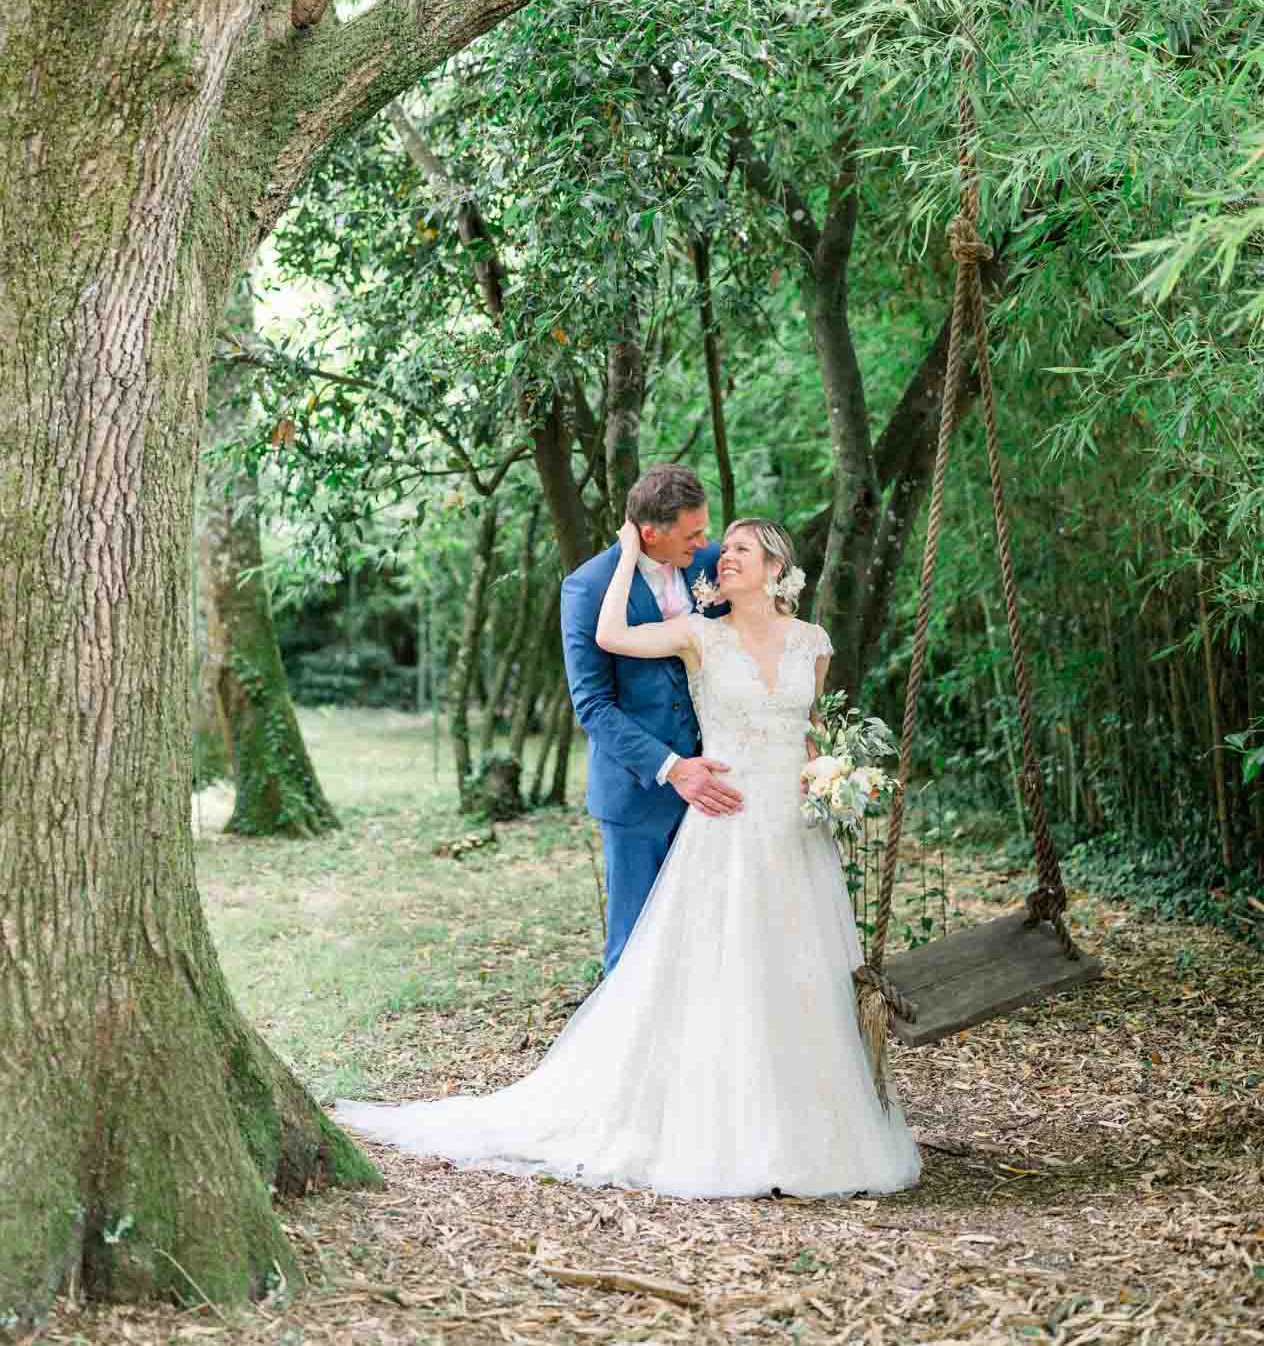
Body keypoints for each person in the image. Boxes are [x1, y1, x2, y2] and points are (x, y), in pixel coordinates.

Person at [335, 514, 922, 1200]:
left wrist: (831, 779)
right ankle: (723, 1128)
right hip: (725, 824)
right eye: (721, 548)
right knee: (723, 972)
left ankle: (812, 1133)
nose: (722, 557)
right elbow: (610, 636)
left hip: (796, 833)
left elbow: (814, 728)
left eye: (739, 549)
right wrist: (623, 556)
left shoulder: (813, 642)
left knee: (799, 971)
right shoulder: (700, 635)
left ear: (774, 565)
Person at [560, 463, 739, 975]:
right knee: (634, 950)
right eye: (693, 532)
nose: (706, 542)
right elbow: (592, 705)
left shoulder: (707, 564)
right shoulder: (588, 588)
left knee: (708, 941)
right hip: (638, 795)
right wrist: (673, 768)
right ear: (649, 533)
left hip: (716, 787)